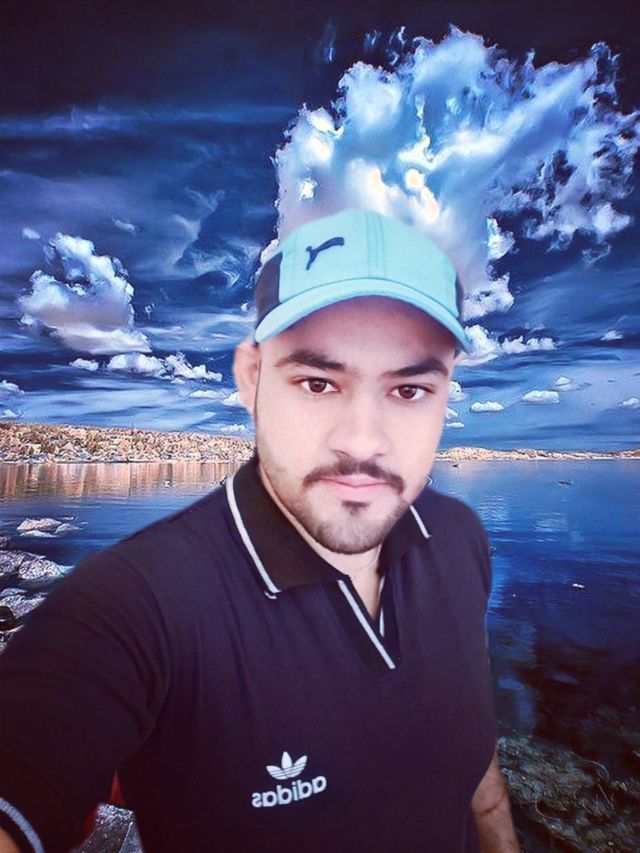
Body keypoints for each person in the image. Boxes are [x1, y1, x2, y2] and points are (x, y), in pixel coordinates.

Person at [0, 209, 521, 852]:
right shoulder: (134, 605)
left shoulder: (461, 537)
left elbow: (477, 765)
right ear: (251, 379)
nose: (363, 441)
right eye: (317, 382)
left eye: (409, 390)